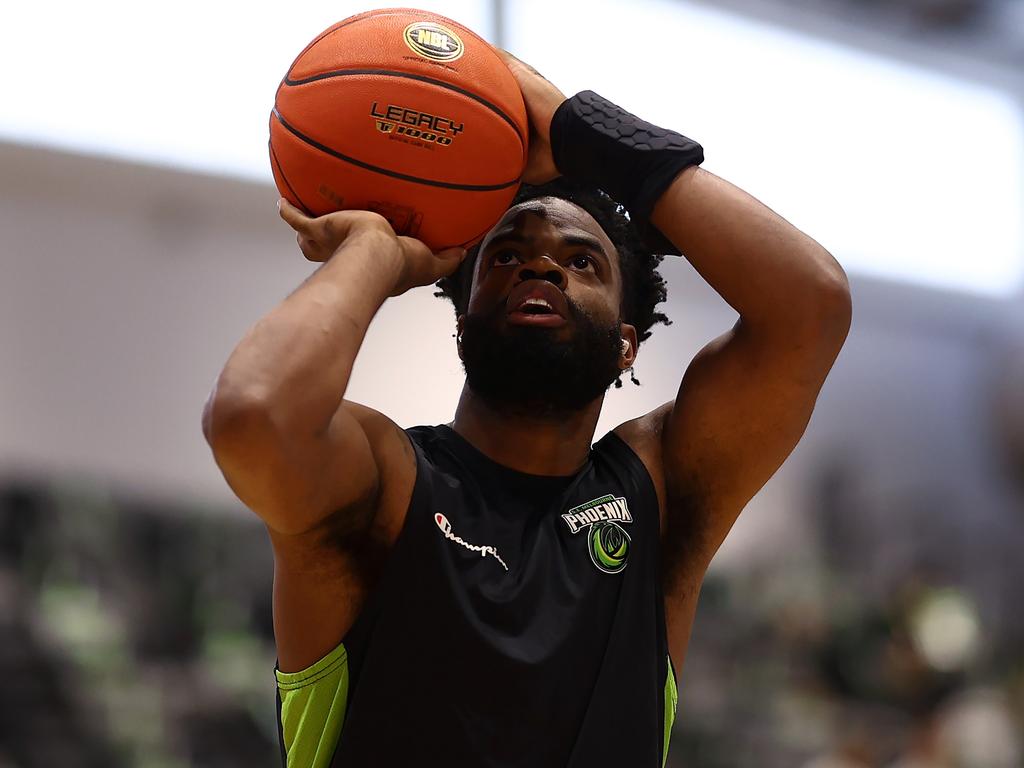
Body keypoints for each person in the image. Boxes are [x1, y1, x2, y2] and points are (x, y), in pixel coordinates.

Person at [203, 52, 851, 768]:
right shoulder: (385, 486)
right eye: (506, 256)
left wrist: (585, 132)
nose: (541, 265)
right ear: (462, 316)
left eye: (583, 263)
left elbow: (810, 307)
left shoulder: (659, 494)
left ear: (626, 344)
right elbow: (251, 416)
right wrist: (375, 252)